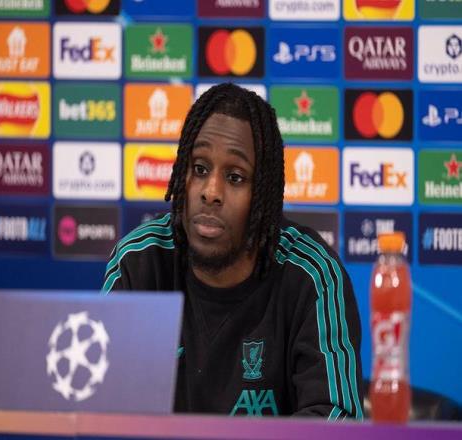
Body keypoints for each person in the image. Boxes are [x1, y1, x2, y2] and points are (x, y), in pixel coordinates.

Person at [102, 83, 363, 418]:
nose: (211, 192)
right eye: (199, 169)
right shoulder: (139, 262)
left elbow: (337, 419)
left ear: (264, 196)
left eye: (236, 177)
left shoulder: (312, 276)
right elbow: (99, 407)